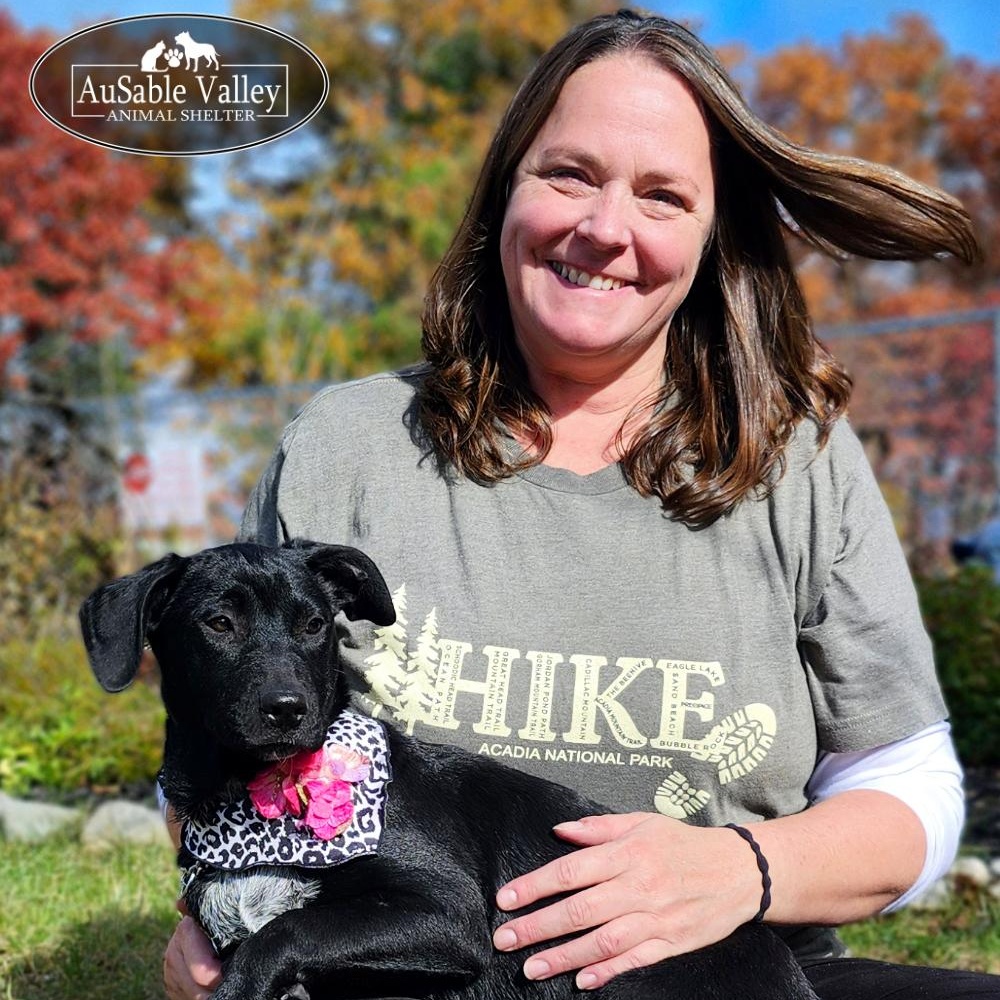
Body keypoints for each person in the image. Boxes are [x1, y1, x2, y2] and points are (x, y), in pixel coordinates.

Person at [164, 10, 997, 1000]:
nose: (605, 228)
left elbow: (908, 794)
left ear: (709, 235)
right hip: (424, 971)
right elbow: (223, 723)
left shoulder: (795, 460)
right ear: (504, 189)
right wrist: (228, 918)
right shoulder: (348, 445)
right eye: (568, 173)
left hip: (725, 974)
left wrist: (737, 868)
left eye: (661, 195)